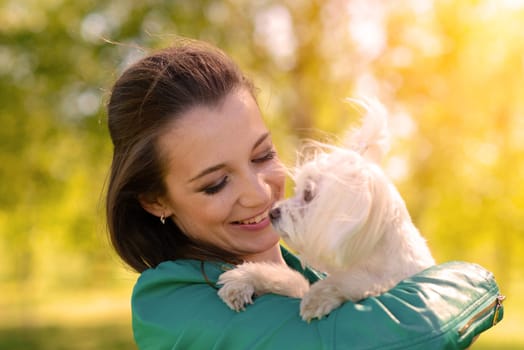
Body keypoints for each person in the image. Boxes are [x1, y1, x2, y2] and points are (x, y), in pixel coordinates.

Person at [105, 39, 504, 349]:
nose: (260, 194)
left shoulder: (324, 270)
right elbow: (379, 340)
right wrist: (474, 282)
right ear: (156, 200)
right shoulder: (170, 304)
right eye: (216, 183)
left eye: (263, 155)